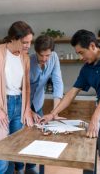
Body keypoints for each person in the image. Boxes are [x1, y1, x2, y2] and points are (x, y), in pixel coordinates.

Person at [39, 29, 100, 174]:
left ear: (92, 46)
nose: (80, 57)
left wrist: (95, 119)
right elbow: (72, 92)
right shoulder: (87, 69)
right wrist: (53, 113)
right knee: (93, 161)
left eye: (81, 52)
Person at [0, 21, 34, 174]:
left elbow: (27, 87)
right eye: (24, 42)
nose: (28, 46)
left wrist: (27, 110)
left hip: (19, 105)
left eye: (30, 42)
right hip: (0, 106)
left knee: (14, 152)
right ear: (13, 38)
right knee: (1, 155)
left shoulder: (25, 58)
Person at [26, 35, 64, 174]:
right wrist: (28, 111)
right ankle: (18, 168)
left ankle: (31, 167)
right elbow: (22, 88)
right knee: (21, 136)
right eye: (41, 56)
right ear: (35, 51)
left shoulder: (54, 58)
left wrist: (56, 111)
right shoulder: (28, 61)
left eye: (47, 55)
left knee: (39, 135)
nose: (44, 59)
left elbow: (58, 82)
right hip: (23, 103)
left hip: (38, 103)